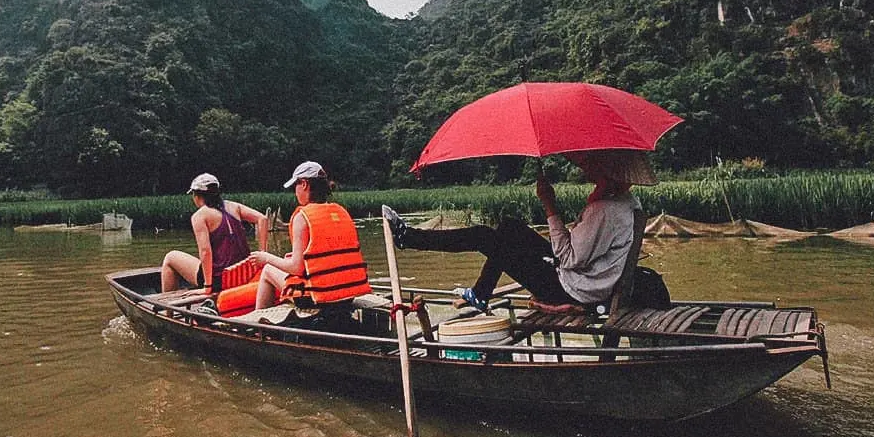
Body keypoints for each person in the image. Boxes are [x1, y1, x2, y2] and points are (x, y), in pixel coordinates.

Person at [383, 150, 651, 312]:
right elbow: (580, 251)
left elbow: (568, 258)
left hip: (569, 288)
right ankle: (480, 293)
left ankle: (409, 238)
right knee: (511, 227)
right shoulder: (626, 202)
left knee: (484, 237)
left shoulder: (604, 210)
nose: (586, 167)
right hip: (584, 280)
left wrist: (549, 207)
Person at [250, 161, 372, 310]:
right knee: (285, 261)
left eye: (296, 186)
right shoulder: (341, 212)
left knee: (268, 270)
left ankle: (260, 328)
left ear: (304, 184)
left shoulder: (302, 217)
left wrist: (265, 257)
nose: (295, 192)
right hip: (347, 295)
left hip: (317, 297)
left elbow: (296, 268)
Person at [161, 172, 270, 294]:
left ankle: (167, 311)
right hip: (242, 271)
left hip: (219, 279)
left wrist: (208, 287)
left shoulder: (200, 216)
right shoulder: (234, 206)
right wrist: (262, 254)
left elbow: (205, 252)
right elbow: (263, 219)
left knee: (170, 257)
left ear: (196, 196)